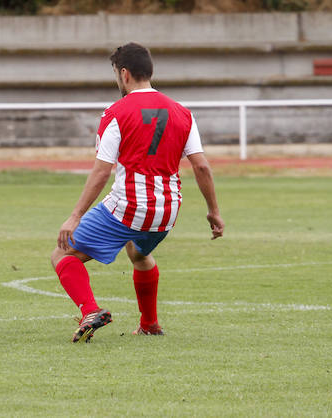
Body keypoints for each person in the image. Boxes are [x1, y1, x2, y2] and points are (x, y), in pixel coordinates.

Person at [50, 42, 223, 342]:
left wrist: (74, 216)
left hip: (129, 207)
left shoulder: (115, 112)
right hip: (167, 211)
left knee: (63, 254)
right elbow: (202, 167)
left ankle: (90, 310)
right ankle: (150, 324)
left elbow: (102, 170)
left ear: (125, 74)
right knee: (138, 253)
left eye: (117, 73)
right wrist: (214, 211)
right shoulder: (182, 113)